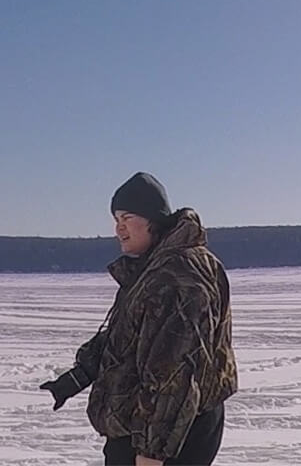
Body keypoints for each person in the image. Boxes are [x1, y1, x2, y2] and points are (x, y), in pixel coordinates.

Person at [40, 172, 237, 465]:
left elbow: (174, 371)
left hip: (167, 435)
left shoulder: (177, 277)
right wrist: (80, 375)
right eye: (116, 219)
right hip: (161, 427)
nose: (119, 228)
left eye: (127, 218)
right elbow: (130, 336)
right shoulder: (158, 267)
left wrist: (151, 453)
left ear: (152, 220)